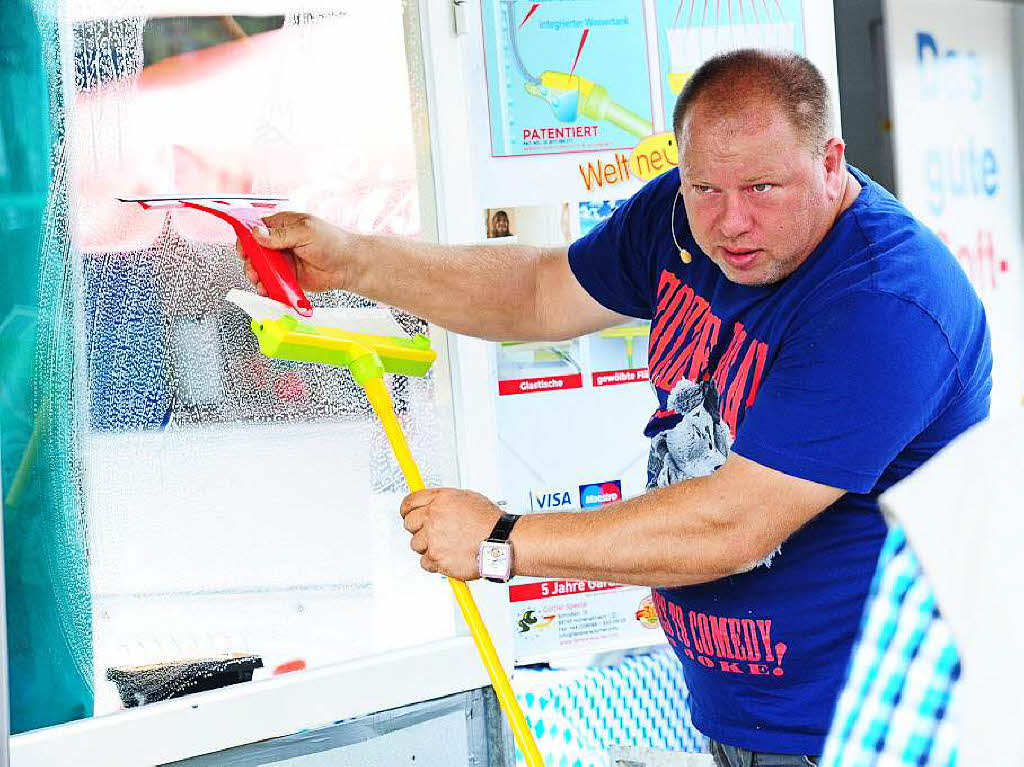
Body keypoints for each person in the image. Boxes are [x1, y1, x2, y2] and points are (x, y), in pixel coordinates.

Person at [240, 50, 991, 767]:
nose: (730, 221)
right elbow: (539, 291)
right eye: (706, 188)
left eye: (763, 189)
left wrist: (502, 539)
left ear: (830, 164)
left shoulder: (885, 302)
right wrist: (358, 262)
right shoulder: (679, 217)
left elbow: (735, 522)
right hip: (746, 712)